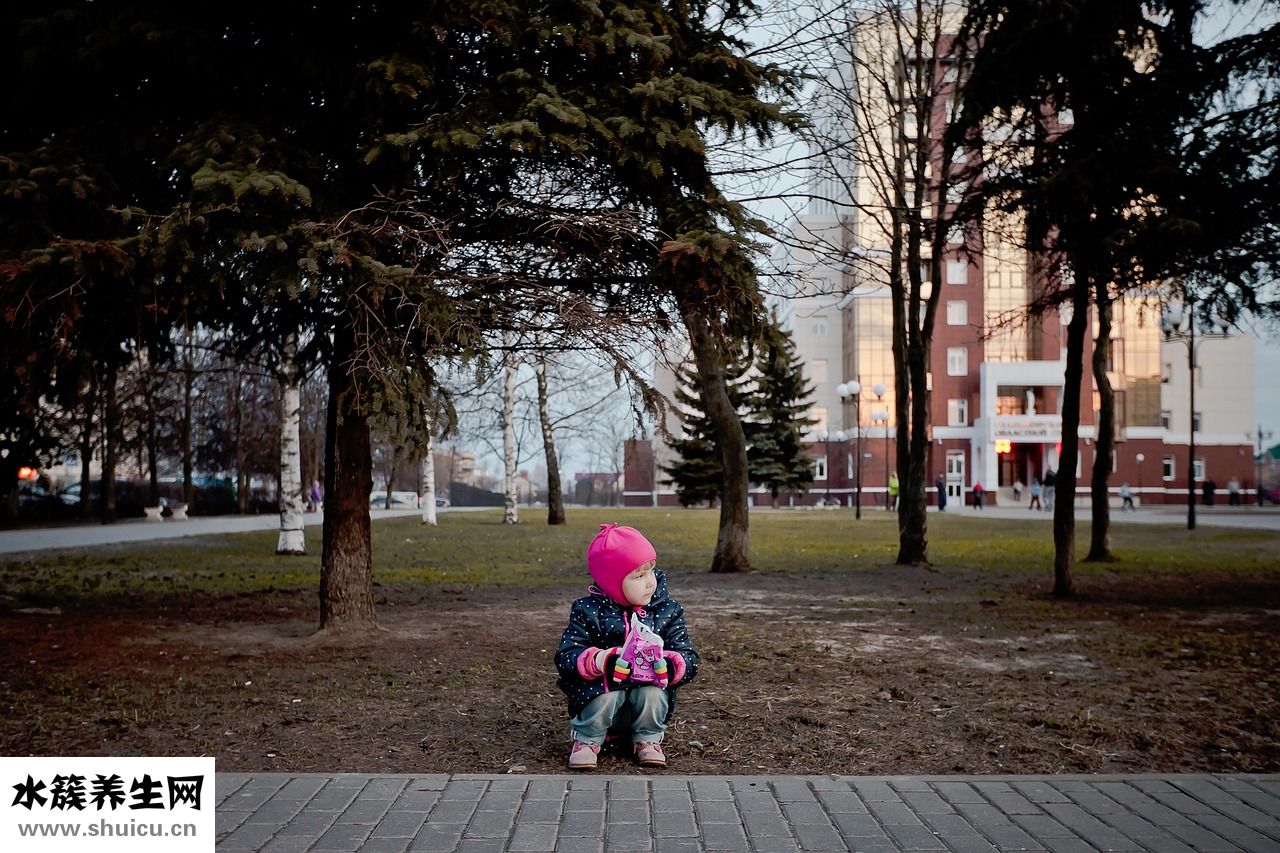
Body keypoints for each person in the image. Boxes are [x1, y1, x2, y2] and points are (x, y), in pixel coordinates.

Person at [554, 524, 699, 771]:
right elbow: (567, 655)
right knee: (608, 692)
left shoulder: (667, 610)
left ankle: (648, 738)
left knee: (652, 693)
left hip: (644, 698)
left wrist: (671, 665)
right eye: (638, 576)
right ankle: (587, 740)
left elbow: (688, 655)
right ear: (612, 583)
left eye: (651, 571)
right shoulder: (588, 611)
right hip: (601, 696)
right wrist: (602, 661)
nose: (650, 583)